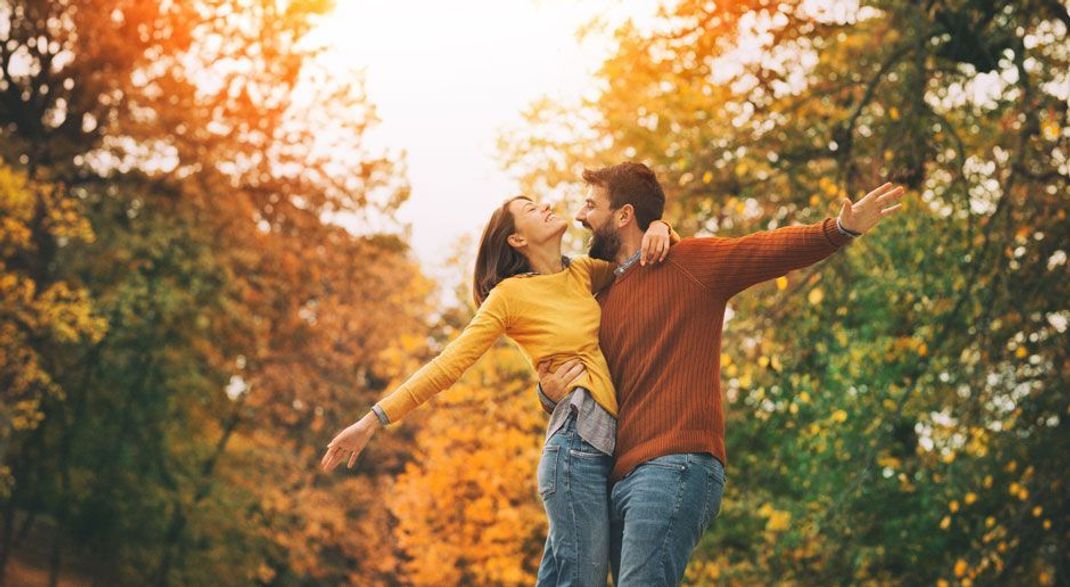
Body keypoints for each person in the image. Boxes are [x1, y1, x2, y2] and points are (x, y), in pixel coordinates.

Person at [537, 162, 906, 586]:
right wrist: (548, 392)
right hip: (618, 478)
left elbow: (765, 250)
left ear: (624, 215)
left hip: (674, 464)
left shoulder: (689, 262)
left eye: (590, 205)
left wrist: (840, 229)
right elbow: (584, 386)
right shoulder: (597, 299)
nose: (582, 216)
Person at [320, 194, 677, 586]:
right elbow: (448, 364)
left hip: (604, 446)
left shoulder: (582, 273)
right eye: (529, 209)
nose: (544, 207)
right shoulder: (508, 296)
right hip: (575, 449)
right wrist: (373, 419)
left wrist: (661, 228)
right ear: (516, 240)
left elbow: (641, 260)